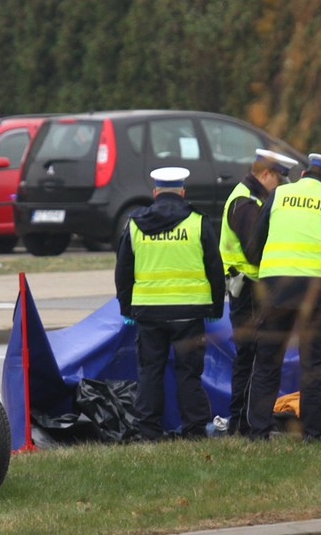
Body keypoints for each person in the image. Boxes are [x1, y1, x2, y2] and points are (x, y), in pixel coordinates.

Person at [115, 167, 225, 441]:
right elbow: (215, 267)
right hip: (189, 314)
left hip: (149, 314)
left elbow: (123, 271)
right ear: (182, 192)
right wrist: (215, 309)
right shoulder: (198, 222)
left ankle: (149, 431)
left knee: (150, 372)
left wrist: (126, 308)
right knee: (188, 373)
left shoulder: (135, 224)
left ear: (155, 193)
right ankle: (194, 430)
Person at [244, 153, 321, 442]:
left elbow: (254, 243)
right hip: (317, 292)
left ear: (303, 174)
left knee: (267, 361)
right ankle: (313, 433)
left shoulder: (281, 194)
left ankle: (258, 431)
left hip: (277, 289)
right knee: (315, 365)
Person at [219, 149, 298, 436]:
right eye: (278, 179)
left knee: (251, 356)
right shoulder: (245, 203)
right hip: (248, 290)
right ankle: (241, 422)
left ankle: (244, 421)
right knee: (249, 357)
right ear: (265, 174)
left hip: (252, 290)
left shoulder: (254, 199)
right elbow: (254, 251)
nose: (280, 186)